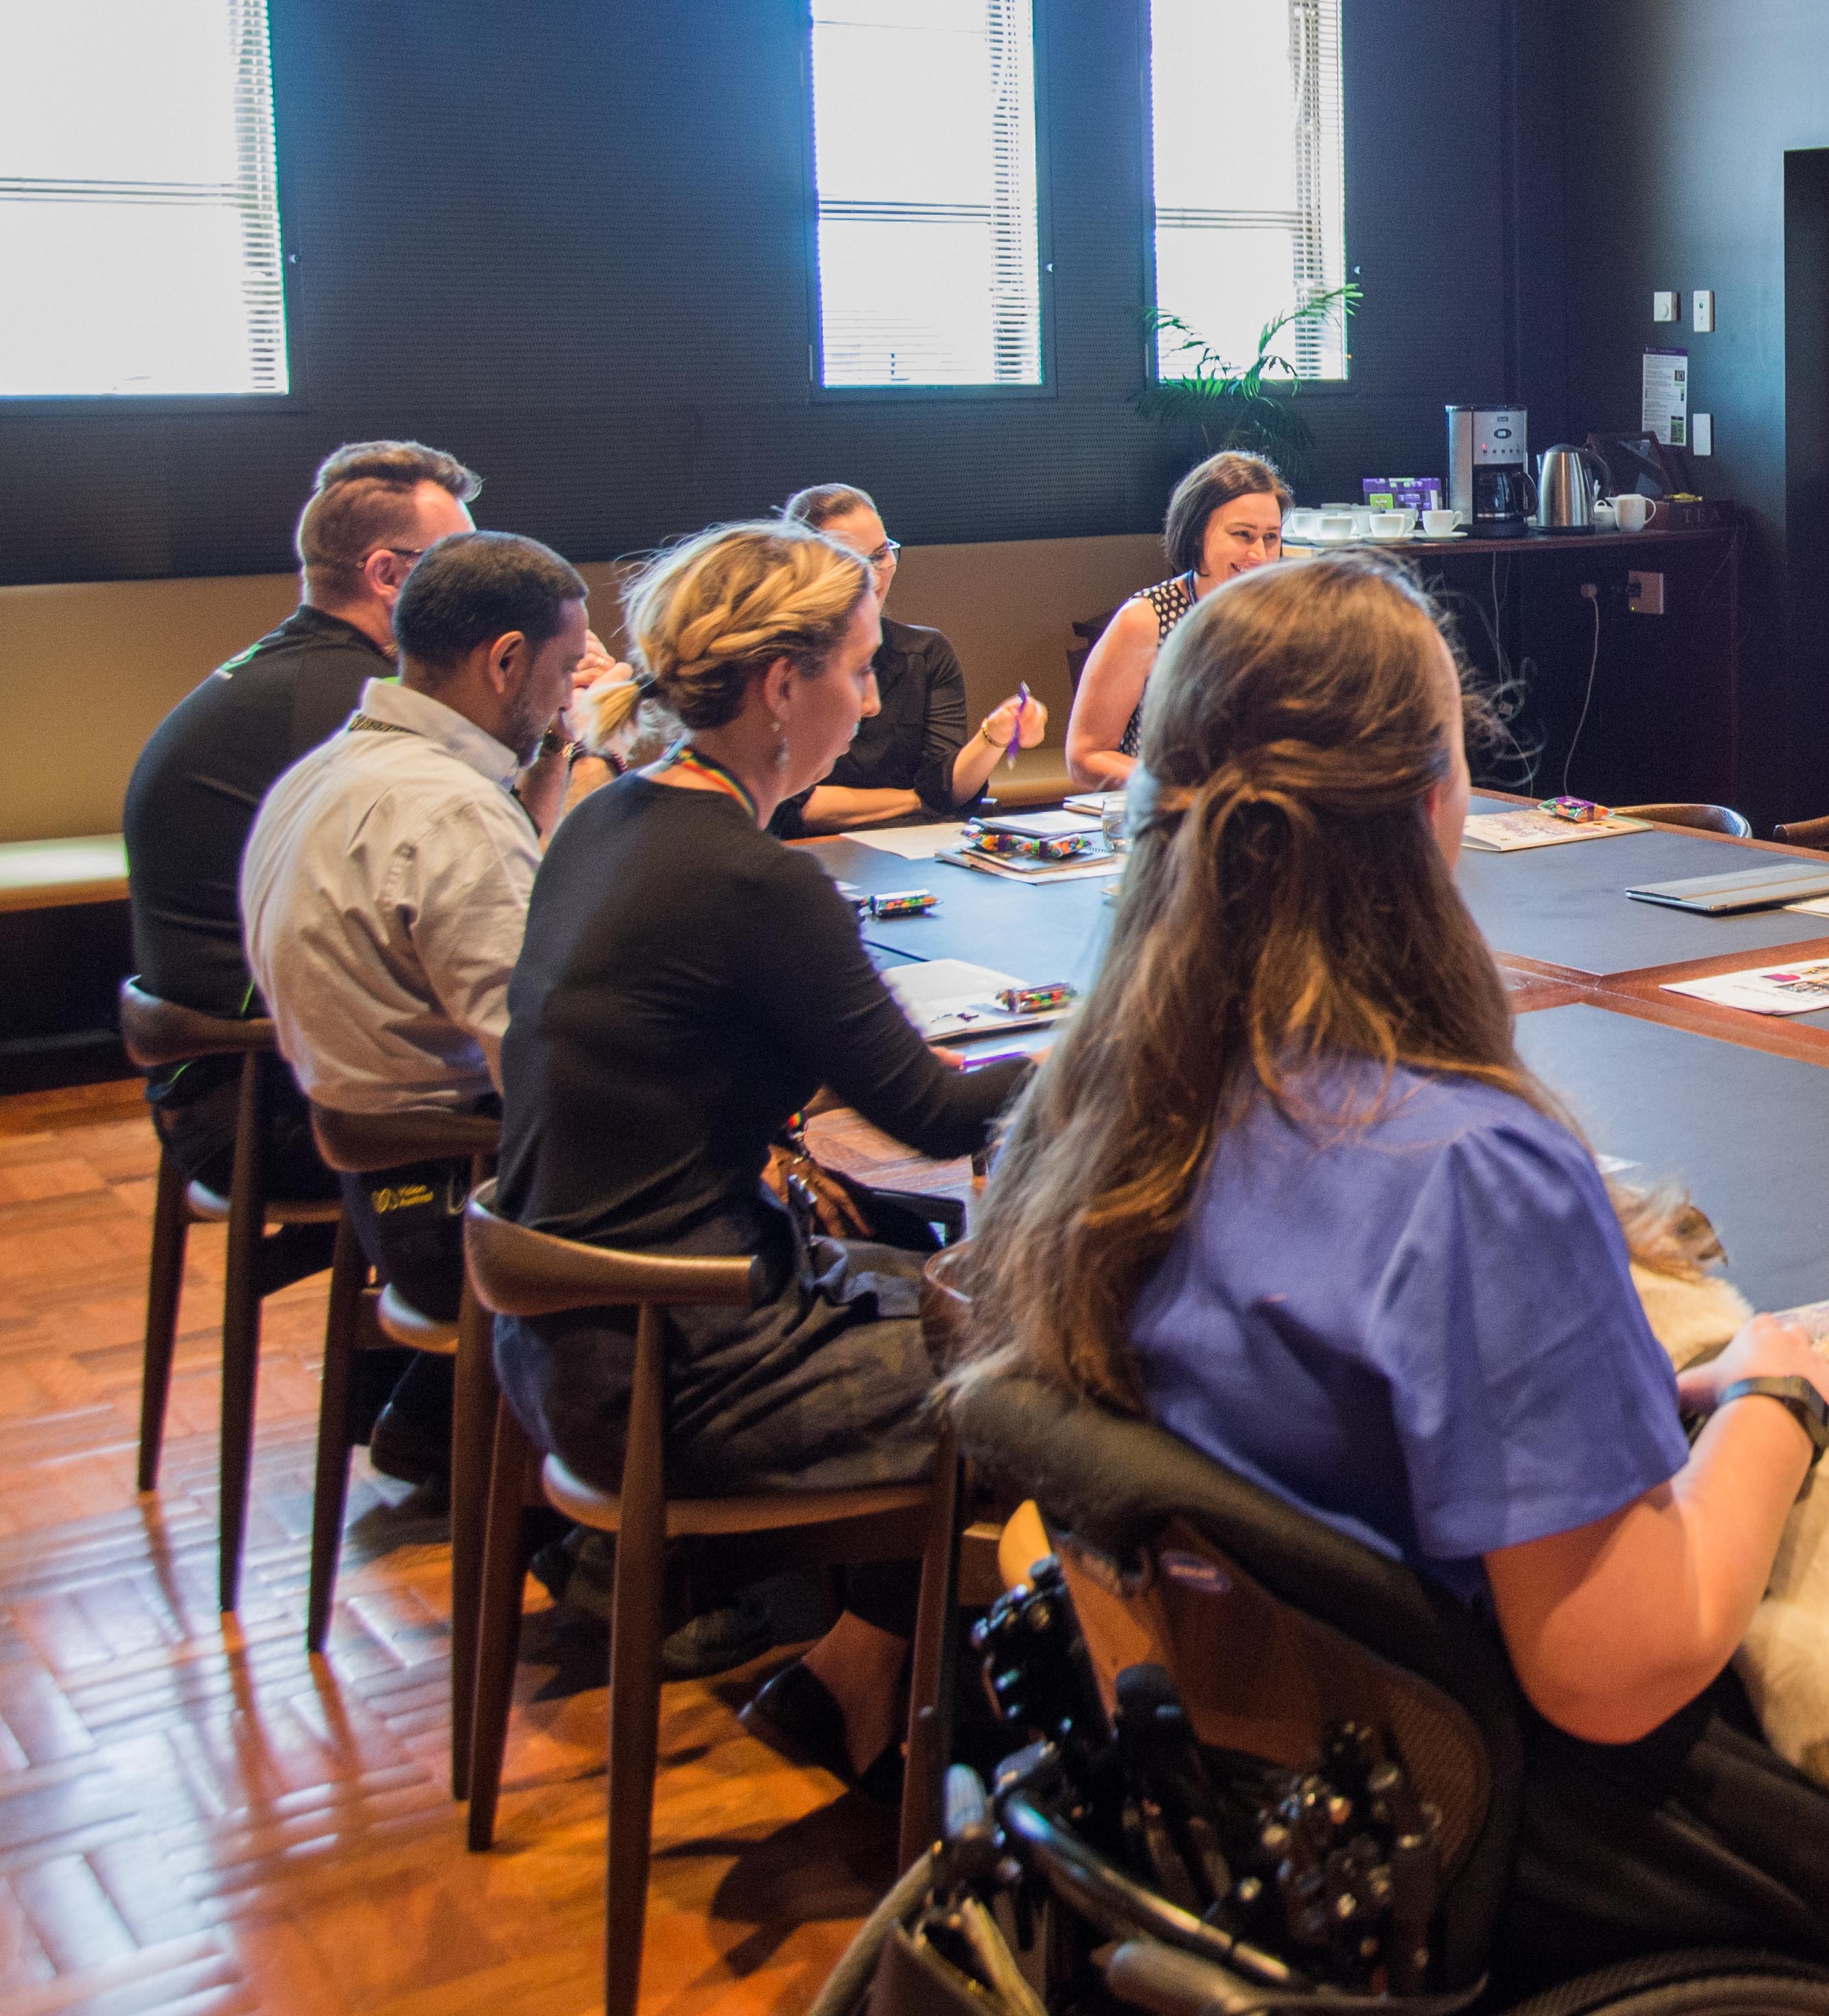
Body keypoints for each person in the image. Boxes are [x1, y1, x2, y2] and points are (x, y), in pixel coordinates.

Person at [954, 550, 1829, 2006]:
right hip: (1531, 1823)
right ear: (1439, 803)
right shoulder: (1468, 1171)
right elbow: (1613, 1661)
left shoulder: (1099, 1109)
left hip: (1307, 1793)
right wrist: (1773, 1398)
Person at [491, 518, 1033, 1788]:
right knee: (1047, 1365)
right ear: (781, 687)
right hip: (678, 1366)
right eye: (858, 666)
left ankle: (851, 1665)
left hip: (566, 1341)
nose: (877, 693)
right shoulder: (754, 877)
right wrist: (1124, 1053)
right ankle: (961, 1701)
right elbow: (939, 1115)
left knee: (962, 1293)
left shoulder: (606, 815)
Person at [241, 531, 590, 1488]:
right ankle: (618, 1550)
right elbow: (539, 1066)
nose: (571, 699)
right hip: (457, 1207)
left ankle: (438, 1419)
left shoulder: (327, 772)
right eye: (563, 672)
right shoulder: (450, 815)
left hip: (378, 1184)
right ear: (505, 660)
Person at [122, 440, 485, 1246]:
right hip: (261, 1114)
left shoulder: (295, 674)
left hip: (234, 1082)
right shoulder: (353, 708)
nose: (478, 589)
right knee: (603, 1137)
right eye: (457, 563)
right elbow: (476, 893)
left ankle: (415, 1359)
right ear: (389, 574)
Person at [764, 483, 1045, 834]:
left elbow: (947, 789)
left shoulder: (925, 652)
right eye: (851, 561)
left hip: (915, 844)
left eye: (882, 554)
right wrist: (917, 801)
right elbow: (793, 806)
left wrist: (995, 735)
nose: (876, 574)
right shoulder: (785, 663)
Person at [1064, 451, 1288, 786]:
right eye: (1243, 535)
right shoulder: (1146, 619)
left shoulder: (1290, 618)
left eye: (1270, 538)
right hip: (1169, 820)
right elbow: (1085, 758)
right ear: (1197, 534)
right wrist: (1186, 787)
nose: (1259, 554)